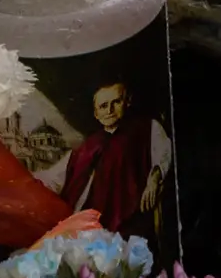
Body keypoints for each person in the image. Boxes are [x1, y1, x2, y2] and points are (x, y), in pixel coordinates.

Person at [57, 78, 160, 235]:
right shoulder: (88, 146)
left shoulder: (146, 129)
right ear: (96, 113)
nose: (110, 110)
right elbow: (59, 176)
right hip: (92, 222)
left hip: (132, 218)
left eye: (116, 102)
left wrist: (154, 177)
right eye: (103, 106)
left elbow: (163, 155)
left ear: (127, 102)